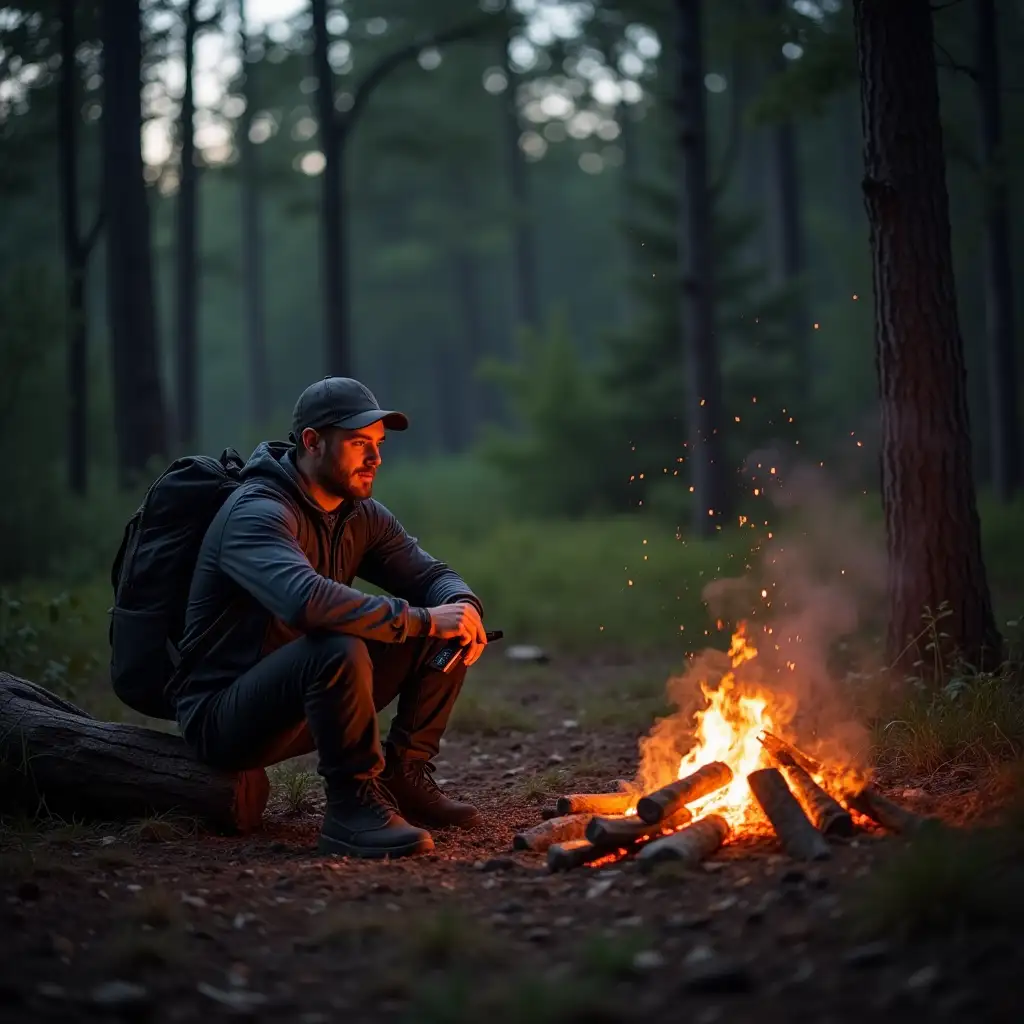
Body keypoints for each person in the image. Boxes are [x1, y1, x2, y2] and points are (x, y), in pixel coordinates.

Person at [172, 377, 489, 859]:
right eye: (360, 444)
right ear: (312, 442)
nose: (376, 458)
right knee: (342, 644)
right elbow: (306, 601)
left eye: (378, 445)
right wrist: (426, 618)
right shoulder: (257, 513)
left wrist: (463, 607)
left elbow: (432, 576)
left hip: (307, 703)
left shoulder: (359, 514)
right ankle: (351, 810)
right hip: (225, 717)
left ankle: (404, 774)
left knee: (443, 629)